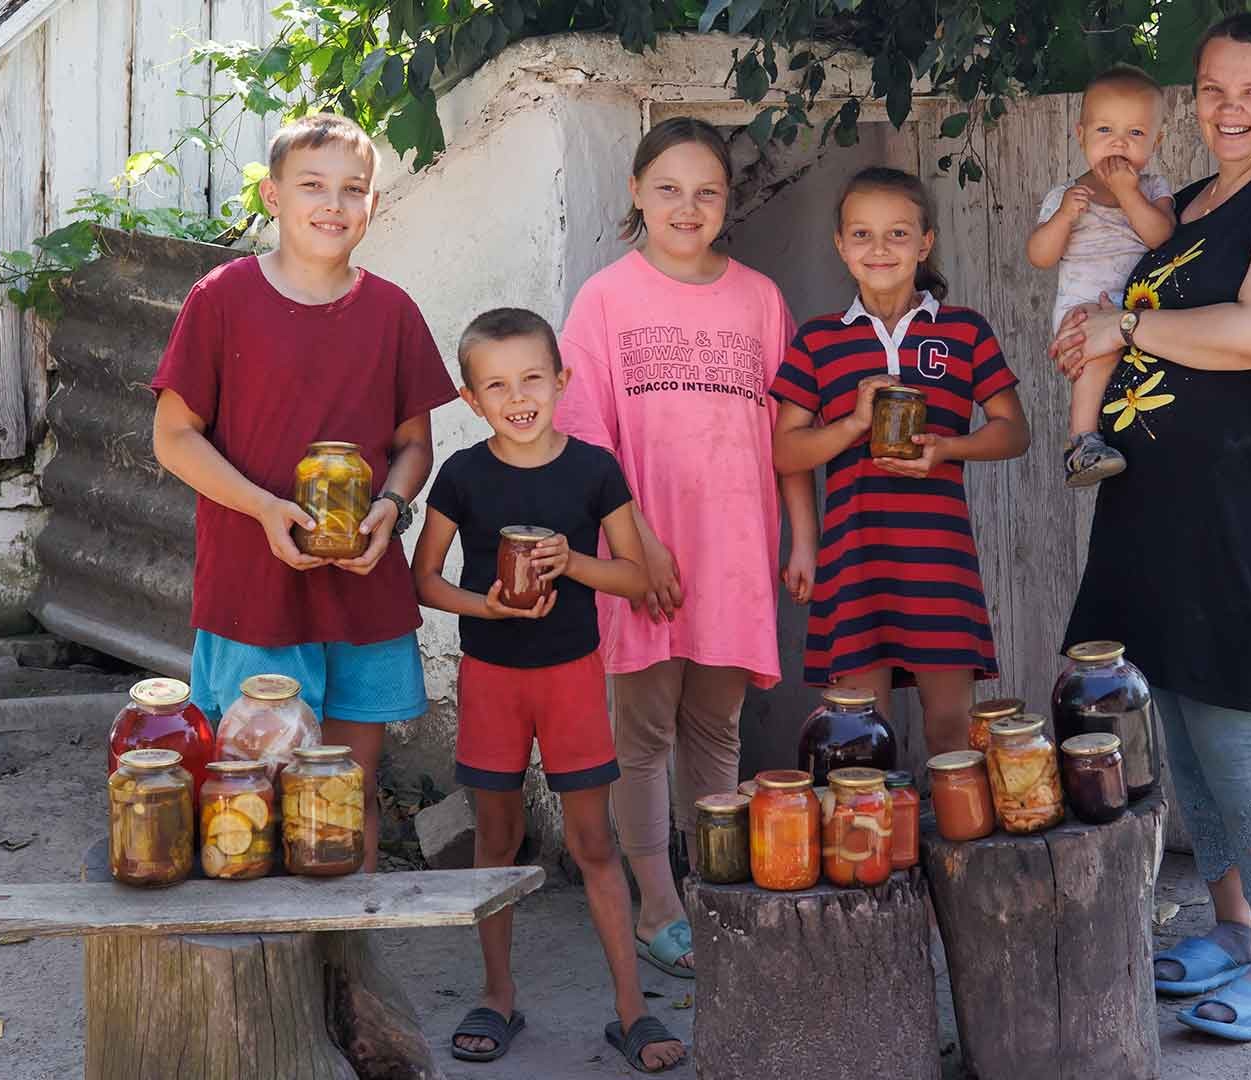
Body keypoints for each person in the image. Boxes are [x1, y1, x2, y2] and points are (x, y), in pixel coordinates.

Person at [1048, 12, 1251, 1043]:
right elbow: (1103, 284)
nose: (1230, 109)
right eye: (1213, 91)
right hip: (1158, 499)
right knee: (1177, 716)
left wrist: (1125, 325)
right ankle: (1232, 928)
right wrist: (1088, 333)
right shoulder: (1183, 205)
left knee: (1235, 722)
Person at [151, 113, 457, 872]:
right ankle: (260, 977)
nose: (334, 203)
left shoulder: (391, 311)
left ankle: (350, 968)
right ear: (272, 196)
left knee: (344, 797)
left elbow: (413, 444)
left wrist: (391, 508)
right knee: (247, 797)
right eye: (313, 185)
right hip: (255, 584)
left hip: (361, 583)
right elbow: (173, 435)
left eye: (353, 189)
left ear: (374, 206)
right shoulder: (221, 297)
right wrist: (262, 507)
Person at [555, 116, 816, 981]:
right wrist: (641, 550)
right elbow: (585, 443)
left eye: (707, 191)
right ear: (635, 192)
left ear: (727, 203)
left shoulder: (759, 300)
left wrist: (797, 536)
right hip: (641, 553)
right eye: (667, 188)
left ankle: (715, 887)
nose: (687, 206)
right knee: (643, 735)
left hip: (736, 552)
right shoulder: (604, 300)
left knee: (715, 727)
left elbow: (788, 436)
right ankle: (658, 907)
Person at [413, 308, 684, 1073]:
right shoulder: (461, 475)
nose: (518, 395)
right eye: (496, 384)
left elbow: (636, 576)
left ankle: (631, 1010)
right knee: (495, 841)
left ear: (562, 381)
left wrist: (575, 563)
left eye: (533, 376)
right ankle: (498, 995)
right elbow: (424, 580)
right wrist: (486, 605)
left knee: (594, 844)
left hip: (570, 676)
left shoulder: (593, 469)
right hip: (491, 676)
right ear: (472, 399)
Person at [770, 167, 1030, 754]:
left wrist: (948, 448)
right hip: (853, 553)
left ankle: (952, 846)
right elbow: (786, 450)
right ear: (840, 244)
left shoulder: (963, 331)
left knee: (951, 725)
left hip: (939, 554)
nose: (879, 249)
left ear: (925, 242)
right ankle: (880, 847)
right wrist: (854, 425)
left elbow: (1014, 432)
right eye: (861, 235)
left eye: (897, 234)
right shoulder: (818, 340)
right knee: (862, 731)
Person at [1025, 63, 1176, 487]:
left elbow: (1160, 236)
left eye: (1136, 134)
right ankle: (1083, 442)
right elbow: (1039, 256)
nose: (1119, 144)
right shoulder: (1067, 195)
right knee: (1102, 354)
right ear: (1081, 135)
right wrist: (1062, 220)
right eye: (1105, 131)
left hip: (1135, 310)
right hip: (1083, 310)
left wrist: (1129, 194)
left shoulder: (1151, 188)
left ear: (1157, 140)